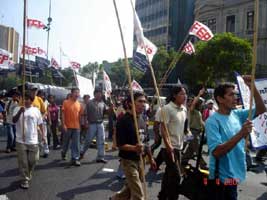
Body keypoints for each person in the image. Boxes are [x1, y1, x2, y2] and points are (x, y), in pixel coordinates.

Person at [205, 76, 266, 200]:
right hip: (221, 179)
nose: (235, 97)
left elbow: (261, 109)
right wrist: (241, 133)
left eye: (236, 94)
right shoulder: (212, 121)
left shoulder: (236, 114)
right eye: (231, 95)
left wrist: (252, 87)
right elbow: (216, 152)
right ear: (220, 99)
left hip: (234, 175)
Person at [110, 92, 156, 200]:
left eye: (144, 102)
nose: (143, 104)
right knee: (139, 195)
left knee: (130, 189)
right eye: (140, 101)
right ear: (130, 103)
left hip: (141, 160)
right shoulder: (123, 121)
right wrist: (134, 148)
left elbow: (146, 142)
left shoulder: (143, 120)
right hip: (128, 161)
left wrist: (151, 158)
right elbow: (120, 145)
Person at [158, 85, 187, 200]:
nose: (184, 96)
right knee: (176, 176)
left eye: (185, 94)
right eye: (181, 94)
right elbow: (163, 128)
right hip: (168, 148)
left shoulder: (184, 109)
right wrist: (169, 146)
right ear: (174, 95)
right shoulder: (167, 109)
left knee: (168, 175)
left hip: (179, 147)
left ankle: (162, 196)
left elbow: (183, 126)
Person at [12, 92, 45, 189]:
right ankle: (25, 179)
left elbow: (40, 124)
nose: (25, 101)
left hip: (33, 140)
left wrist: (43, 135)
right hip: (20, 140)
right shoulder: (17, 108)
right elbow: (13, 120)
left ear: (31, 100)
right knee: (23, 162)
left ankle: (28, 172)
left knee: (33, 160)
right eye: (24, 99)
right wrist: (19, 112)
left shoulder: (36, 110)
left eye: (28, 99)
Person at [80, 88, 110, 163]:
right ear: (94, 94)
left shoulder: (103, 103)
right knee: (88, 140)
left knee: (101, 140)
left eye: (100, 93)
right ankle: (81, 152)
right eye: (98, 93)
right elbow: (85, 114)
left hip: (100, 124)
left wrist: (111, 108)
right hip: (91, 124)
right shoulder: (89, 103)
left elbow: (107, 112)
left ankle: (100, 157)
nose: (100, 95)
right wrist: (85, 123)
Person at [61, 88, 83, 166]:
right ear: (71, 93)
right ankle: (63, 152)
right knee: (66, 143)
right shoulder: (65, 102)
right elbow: (63, 114)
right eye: (75, 92)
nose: (77, 94)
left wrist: (80, 126)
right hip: (67, 126)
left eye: (78, 93)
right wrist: (63, 124)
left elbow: (80, 116)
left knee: (76, 144)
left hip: (76, 127)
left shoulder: (79, 104)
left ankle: (75, 158)